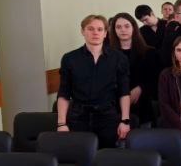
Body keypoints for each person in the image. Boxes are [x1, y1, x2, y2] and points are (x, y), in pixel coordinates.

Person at [56, 15, 131, 149]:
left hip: (107, 117)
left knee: (107, 156)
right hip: (78, 117)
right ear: (82, 31)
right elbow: (64, 93)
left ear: (105, 33)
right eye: (90, 29)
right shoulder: (69, 58)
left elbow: (124, 92)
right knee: (79, 155)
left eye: (100, 29)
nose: (95, 33)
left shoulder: (119, 58)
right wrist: (61, 123)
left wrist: (125, 120)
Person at [108, 12, 159, 127]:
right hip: (115, 109)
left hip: (143, 107)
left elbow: (155, 79)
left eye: (127, 26)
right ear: (114, 30)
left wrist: (141, 88)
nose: (123, 30)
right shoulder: (107, 55)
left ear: (133, 28)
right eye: (118, 27)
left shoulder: (150, 52)